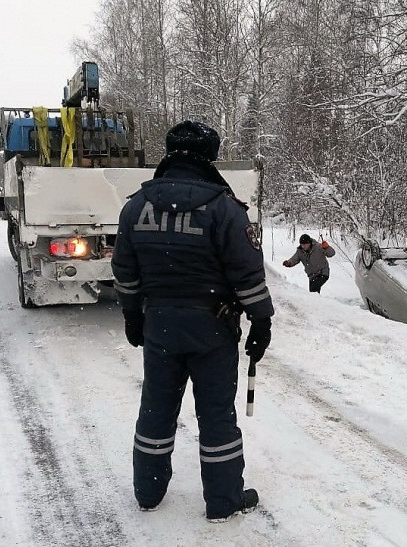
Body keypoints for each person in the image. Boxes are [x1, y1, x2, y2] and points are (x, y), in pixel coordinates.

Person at [112, 120, 274, 523]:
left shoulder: (136, 206)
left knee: (156, 409)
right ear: (210, 156)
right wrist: (261, 321)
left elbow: (124, 271)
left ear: (169, 153)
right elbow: (247, 273)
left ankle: (147, 492)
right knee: (217, 416)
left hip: (160, 327)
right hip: (213, 329)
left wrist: (133, 315)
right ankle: (223, 502)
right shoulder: (224, 208)